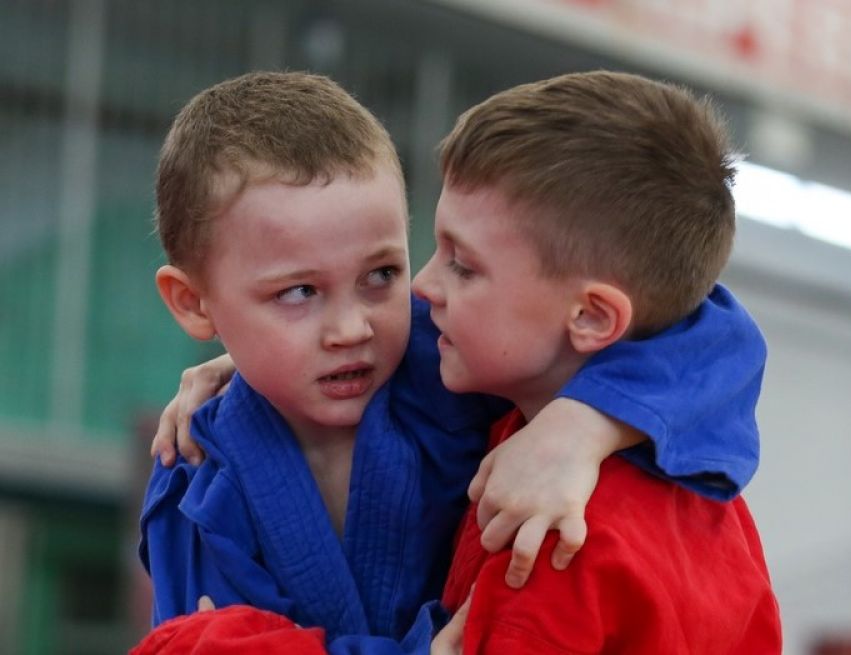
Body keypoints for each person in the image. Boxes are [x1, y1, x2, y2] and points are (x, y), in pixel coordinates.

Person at [135, 71, 767, 654]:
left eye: (382, 274)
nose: (353, 328)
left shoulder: (453, 369)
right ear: (194, 303)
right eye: (297, 292)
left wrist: (584, 424)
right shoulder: (192, 478)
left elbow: (709, 332)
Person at [425, 70, 781, 653]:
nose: (422, 285)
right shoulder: (713, 502)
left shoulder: (549, 535)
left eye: (462, 266)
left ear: (592, 317)